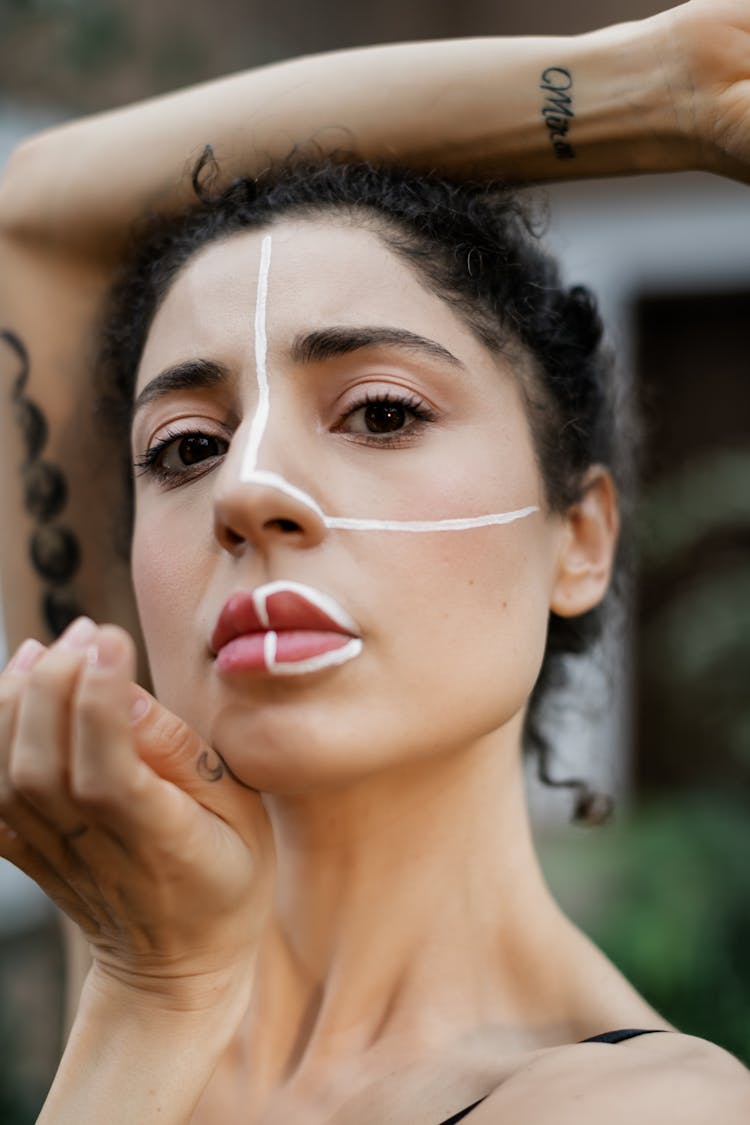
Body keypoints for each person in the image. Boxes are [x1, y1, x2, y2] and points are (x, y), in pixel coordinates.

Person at [0, 1, 749, 1121]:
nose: (247, 490)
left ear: (579, 539)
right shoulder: (142, 894)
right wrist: (635, 86)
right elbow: (35, 218)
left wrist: (153, 999)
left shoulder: (638, 1104)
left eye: (383, 413)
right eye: (187, 447)